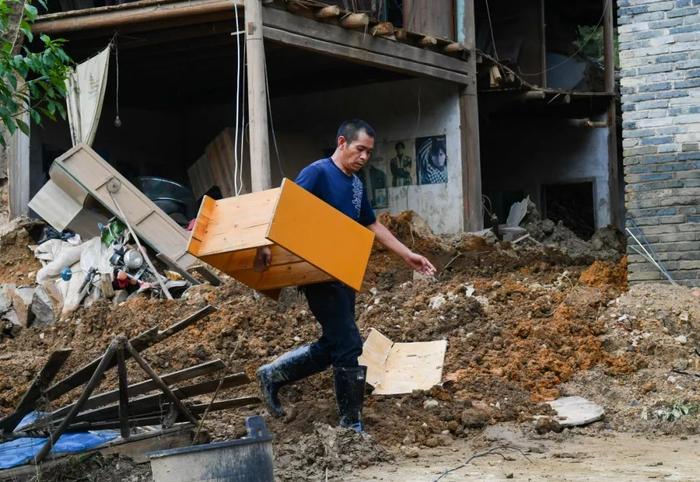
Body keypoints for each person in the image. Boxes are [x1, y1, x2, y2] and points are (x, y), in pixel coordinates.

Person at [255, 119, 436, 432]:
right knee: (350, 344)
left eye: (368, 151)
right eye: (359, 149)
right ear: (342, 143)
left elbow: (372, 225)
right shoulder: (318, 172)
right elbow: (286, 208)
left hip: (343, 274)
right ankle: (350, 424)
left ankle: (273, 374)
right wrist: (267, 244)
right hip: (317, 275)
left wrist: (407, 254)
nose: (365, 157)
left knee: (335, 344)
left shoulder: (355, 185)